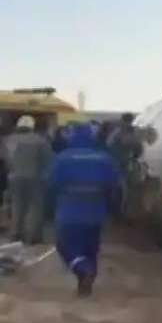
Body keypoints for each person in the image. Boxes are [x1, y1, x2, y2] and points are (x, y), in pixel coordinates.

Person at [47, 124, 121, 297]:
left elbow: (51, 184)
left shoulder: (63, 158)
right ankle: (86, 284)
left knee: (65, 246)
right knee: (91, 248)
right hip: (96, 211)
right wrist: (113, 210)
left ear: (72, 137)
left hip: (70, 210)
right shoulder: (104, 158)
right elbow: (115, 186)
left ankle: (83, 270)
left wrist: (50, 208)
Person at [3, 115, 54, 244]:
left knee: (17, 205)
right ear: (32, 127)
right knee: (35, 207)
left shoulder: (8, 140)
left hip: (14, 178)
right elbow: (48, 160)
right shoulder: (40, 141)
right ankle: (33, 237)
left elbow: (4, 159)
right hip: (35, 178)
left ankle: (16, 234)